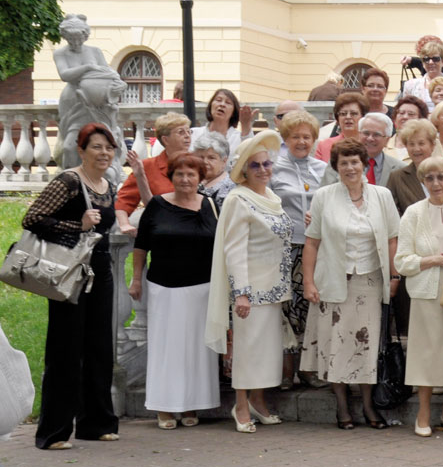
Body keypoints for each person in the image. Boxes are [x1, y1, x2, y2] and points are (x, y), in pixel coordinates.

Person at [23, 123, 121, 449]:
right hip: (69, 272)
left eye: (108, 147)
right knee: (66, 349)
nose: (104, 153)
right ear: (81, 150)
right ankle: (53, 431)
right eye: (96, 147)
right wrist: (75, 225)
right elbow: (32, 218)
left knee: (99, 348)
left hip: (101, 272)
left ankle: (96, 423)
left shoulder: (109, 185)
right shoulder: (67, 180)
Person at [301, 138, 400, 430]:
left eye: (355, 161)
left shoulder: (381, 196)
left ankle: (369, 405)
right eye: (343, 162)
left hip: (369, 282)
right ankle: (342, 406)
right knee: (335, 345)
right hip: (333, 281)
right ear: (336, 167)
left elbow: (393, 238)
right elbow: (312, 242)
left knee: (366, 347)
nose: (349, 167)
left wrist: (394, 276)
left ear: (364, 164)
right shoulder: (324, 196)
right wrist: (308, 281)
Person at [205, 130, 294, 434]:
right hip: (251, 291)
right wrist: (240, 294)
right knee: (246, 350)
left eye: (267, 164)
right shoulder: (237, 199)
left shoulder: (272, 197)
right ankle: (241, 405)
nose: (263, 170)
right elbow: (234, 250)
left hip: (274, 288)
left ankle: (258, 402)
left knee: (266, 351)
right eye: (256, 165)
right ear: (244, 170)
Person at [128, 151, 221, 429]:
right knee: (167, 348)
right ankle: (165, 407)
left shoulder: (211, 205)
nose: (185, 179)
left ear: (200, 177)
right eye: (179, 174)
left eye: (191, 174)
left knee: (196, 349)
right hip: (163, 287)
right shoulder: (157, 205)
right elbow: (141, 244)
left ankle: (192, 404)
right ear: (171, 177)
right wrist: (135, 279)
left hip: (202, 289)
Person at [394, 155, 443, 436]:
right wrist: (435, 260)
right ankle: (424, 413)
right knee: (425, 354)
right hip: (426, 293)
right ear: (422, 181)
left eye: (442, 177)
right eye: (429, 178)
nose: (436, 183)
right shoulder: (414, 212)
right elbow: (402, 262)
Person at [269, 110, 328, 388]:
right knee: (287, 308)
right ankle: (285, 371)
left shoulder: (323, 169)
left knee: (311, 307)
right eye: (296, 136)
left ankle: (309, 369)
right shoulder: (273, 168)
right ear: (285, 138)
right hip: (285, 247)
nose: (302, 141)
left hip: (316, 248)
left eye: (307, 136)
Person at [53, 14, 125, 177]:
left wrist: (118, 83)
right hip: (73, 103)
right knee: (69, 146)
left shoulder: (95, 51)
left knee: (101, 143)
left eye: (79, 38)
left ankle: (100, 180)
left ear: (85, 35)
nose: (76, 42)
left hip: (95, 101)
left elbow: (108, 73)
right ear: (65, 37)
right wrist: (88, 68)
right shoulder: (60, 53)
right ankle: (70, 181)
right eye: (71, 38)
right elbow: (65, 75)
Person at [115, 112, 190, 235]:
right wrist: (124, 224)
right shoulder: (147, 167)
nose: (187, 136)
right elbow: (123, 200)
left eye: (188, 132)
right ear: (166, 140)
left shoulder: (196, 164)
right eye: (181, 132)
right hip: (162, 233)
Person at [320, 113, 406, 188]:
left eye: (376, 134)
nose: (370, 138)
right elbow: (324, 195)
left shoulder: (400, 169)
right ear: (359, 134)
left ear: (387, 140)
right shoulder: (338, 163)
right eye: (366, 133)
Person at [191, 88, 253, 167]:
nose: (222, 104)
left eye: (228, 102)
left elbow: (251, 157)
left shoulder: (239, 138)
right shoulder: (193, 134)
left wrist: (246, 125)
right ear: (210, 105)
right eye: (218, 100)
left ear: (233, 112)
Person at [387, 118, 437, 213]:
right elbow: (390, 214)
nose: (416, 149)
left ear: (432, 145)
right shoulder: (397, 177)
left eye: (421, 143)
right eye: (411, 144)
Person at [402, 37, 443, 109]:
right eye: (426, 59)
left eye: (435, 59)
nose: (431, 62)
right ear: (423, 63)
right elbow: (406, 109)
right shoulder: (410, 85)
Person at [315, 92, 369, 162]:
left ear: (363, 117)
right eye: (343, 114)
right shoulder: (324, 146)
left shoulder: (370, 145)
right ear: (338, 118)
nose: (348, 117)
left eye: (353, 113)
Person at [193, 130, 236, 205]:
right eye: (201, 157)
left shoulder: (229, 192)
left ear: (224, 161)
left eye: (211, 158)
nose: (205, 162)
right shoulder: (193, 181)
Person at [388, 94, 430, 162]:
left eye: (411, 114)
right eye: (401, 113)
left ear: (421, 119)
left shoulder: (430, 144)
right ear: (395, 118)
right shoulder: (384, 144)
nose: (405, 117)